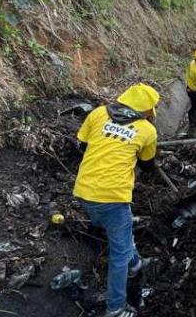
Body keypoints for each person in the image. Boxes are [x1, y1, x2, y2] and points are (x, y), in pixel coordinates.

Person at [73, 83, 160, 317]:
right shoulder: (147, 130)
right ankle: (115, 309)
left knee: (122, 229)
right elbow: (148, 165)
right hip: (112, 196)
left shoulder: (98, 113)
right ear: (147, 110)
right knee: (119, 252)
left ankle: (135, 263)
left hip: (84, 191)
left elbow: (82, 145)